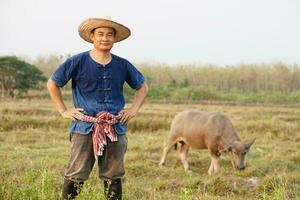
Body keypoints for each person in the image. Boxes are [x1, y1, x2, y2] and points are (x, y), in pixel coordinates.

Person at [47, 17, 148, 200]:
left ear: (114, 39)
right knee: (76, 173)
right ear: (92, 36)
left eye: (110, 35)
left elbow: (142, 86)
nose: (105, 38)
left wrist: (133, 110)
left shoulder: (122, 64)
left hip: (114, 128)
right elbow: (53, 83)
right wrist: (63, 110)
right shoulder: (77, 61)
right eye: (100, 34)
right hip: (84, 127)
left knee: (113, 174)